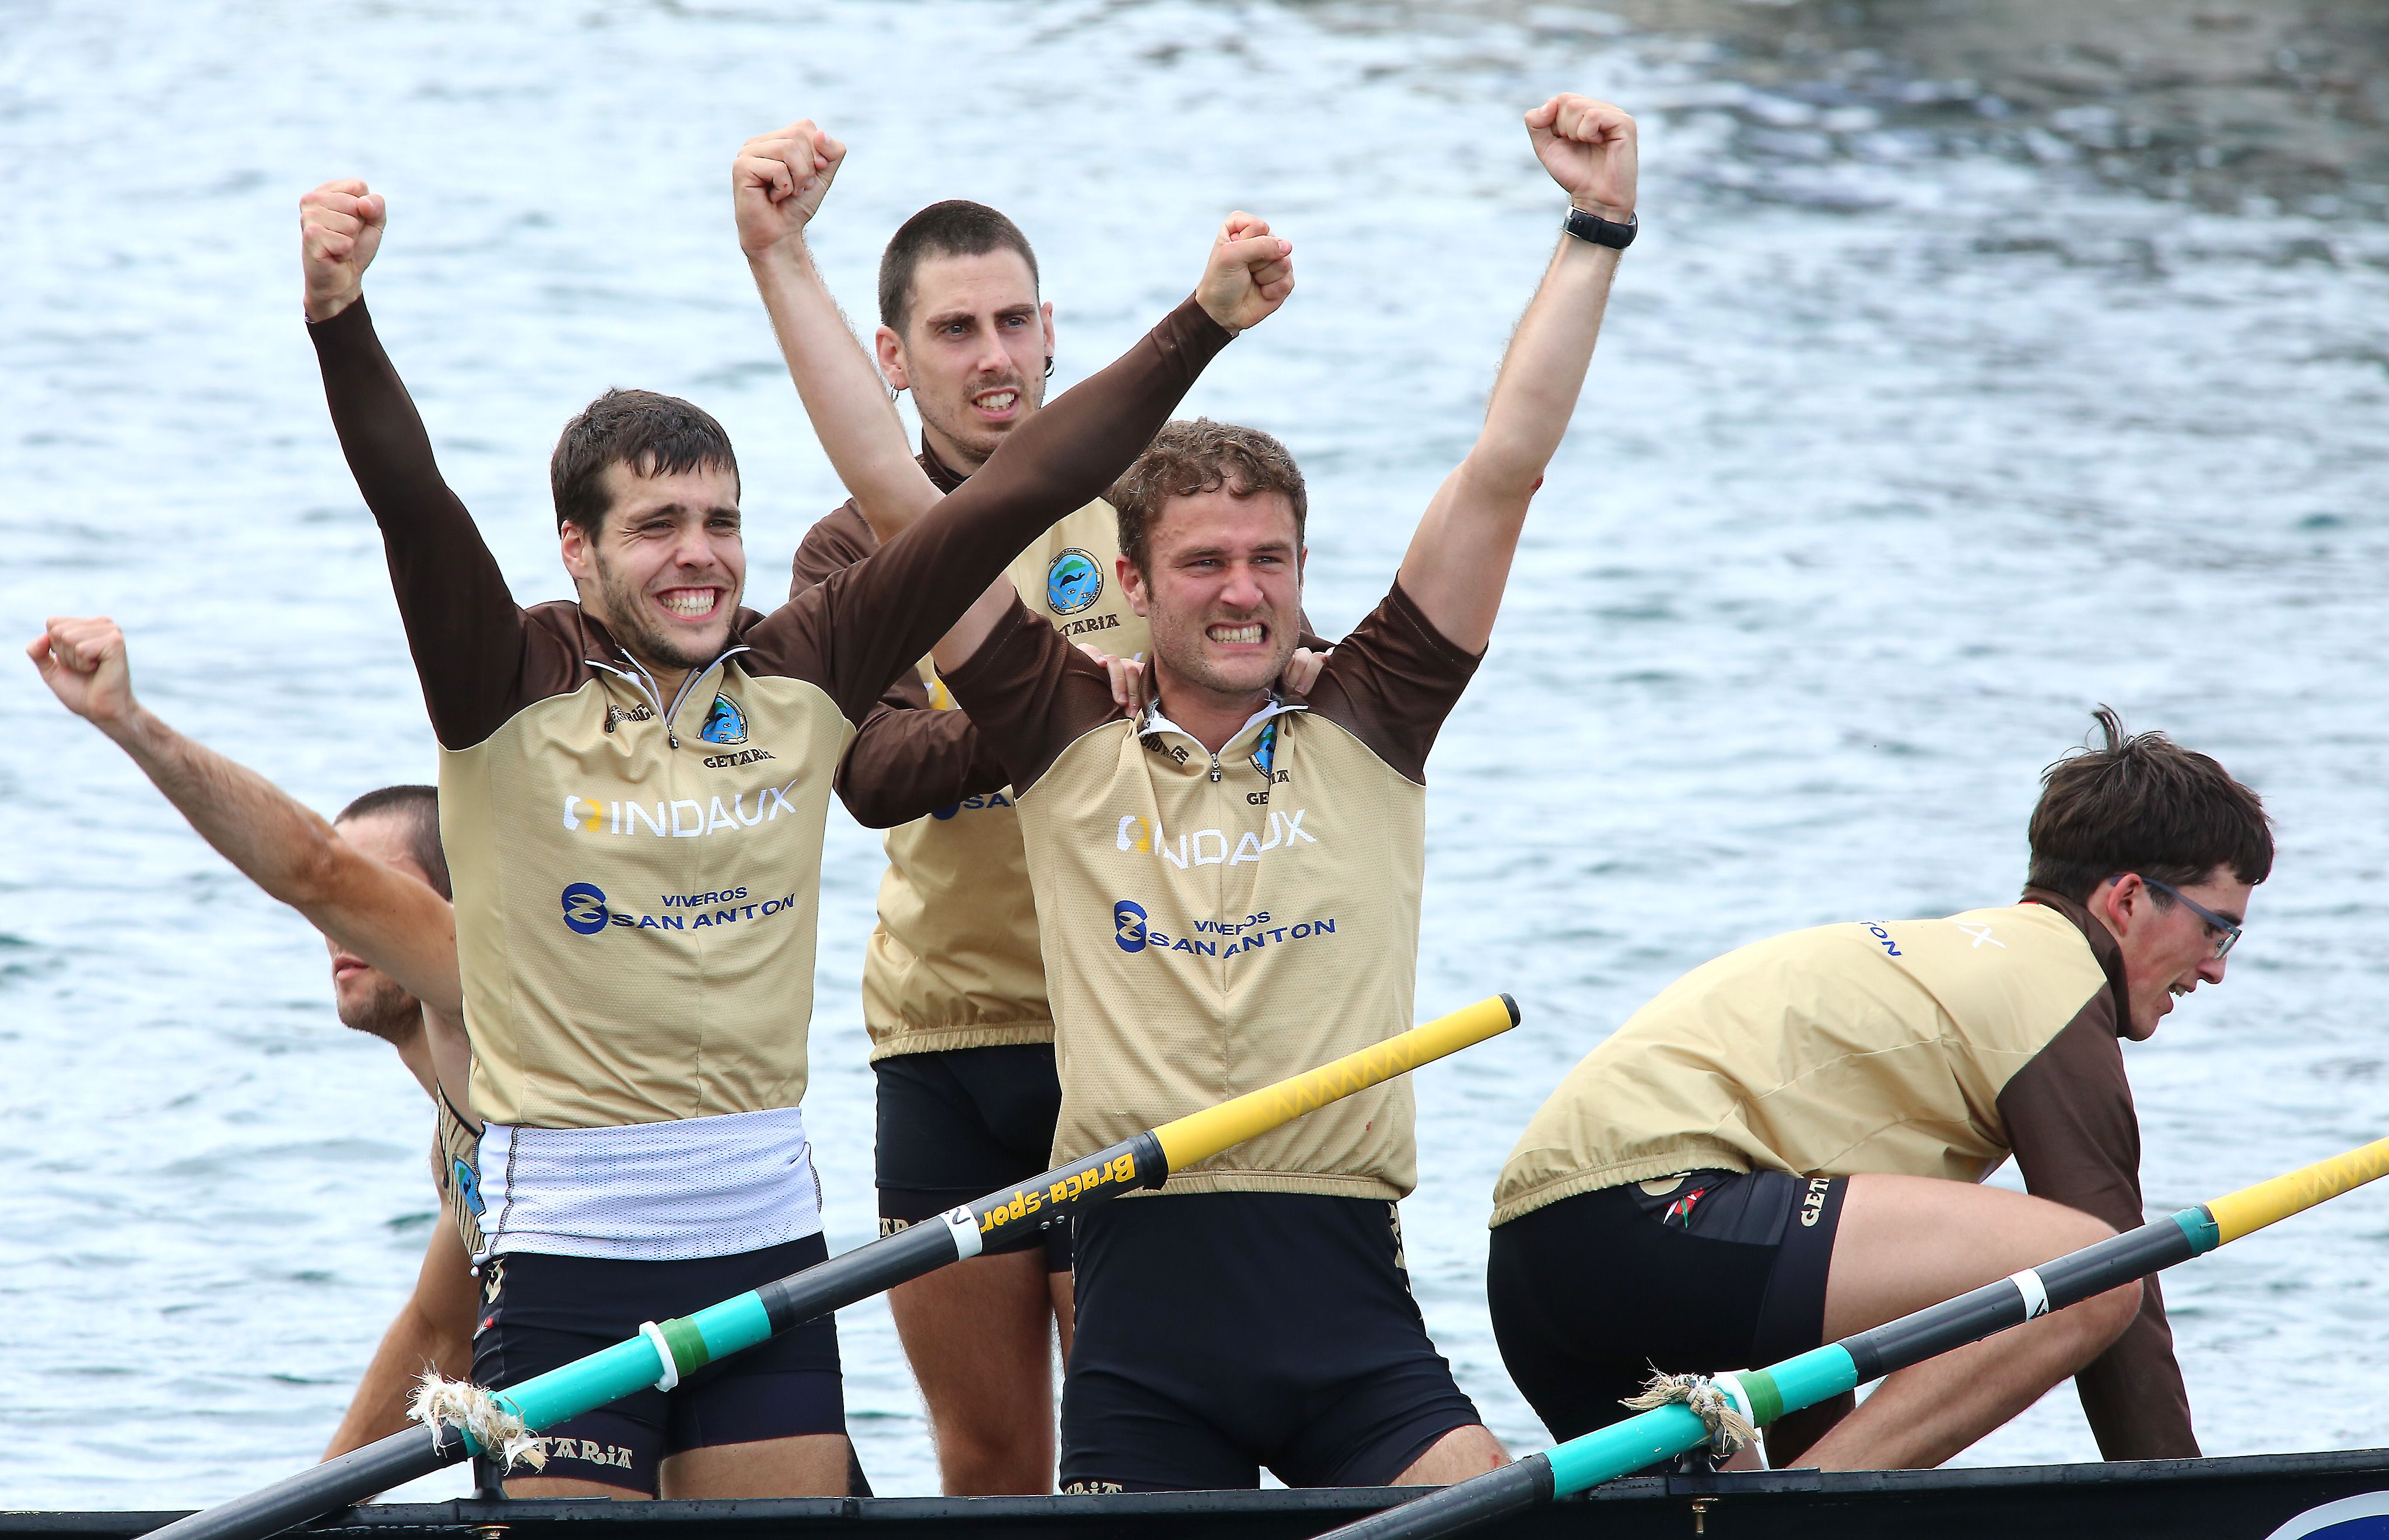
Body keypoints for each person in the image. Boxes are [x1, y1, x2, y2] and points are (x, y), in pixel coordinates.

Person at [293, 170, 1292, 1499]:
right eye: (655, 527)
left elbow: (1016, 490)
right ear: (577, 554)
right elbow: (414, 507)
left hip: (768, 1253)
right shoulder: (503, 679)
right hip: (570, 1273)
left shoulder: (803, 661)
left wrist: (1202, 322)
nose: (698, 557)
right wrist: (342, 318)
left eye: (719, 523)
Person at [807, 92, 1638, 1492]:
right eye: (1201, 564)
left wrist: (1595, 228)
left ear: (1306, 574)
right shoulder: (1063, 734)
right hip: (1144, 1345)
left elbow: (1505, 467)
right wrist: (779, 259)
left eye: (1269, 560)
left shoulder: (1371, 719)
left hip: (1353, 1333)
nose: (1241, 592)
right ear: (1128, 590)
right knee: (994, 1466)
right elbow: (894, 498)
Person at [735, 127, 1323, 1494]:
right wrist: (1048, 711)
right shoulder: (851, 547)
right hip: (945, 1042)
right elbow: (870, 776)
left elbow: (1282, 666)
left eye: (1013, 321)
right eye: (953, 330)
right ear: (891, 360)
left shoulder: (1150, 505)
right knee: (993, 1459)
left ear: (1054, 332)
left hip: (1129, 1033)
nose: (990, 355)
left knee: (1139, 1452)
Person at [1486, 708, 2271, 1471]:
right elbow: (2107, 1279)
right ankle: (1807, 1518)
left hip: (1536, 1264)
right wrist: (2188, 1499)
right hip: (1653, 1220)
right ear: (2128, 898)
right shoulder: (2049, 978)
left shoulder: (1951, 965)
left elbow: (1799, 1291)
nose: (2217, 967)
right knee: (2100, 1272)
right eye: (2217, 927)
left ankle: (1802, 1510)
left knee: (1715, 1513)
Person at [24, 615, 478, 1460]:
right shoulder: (460, 1142)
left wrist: (130, 722)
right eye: (338, 915)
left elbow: (315, 866)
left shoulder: (499, 1031)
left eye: (377, 899)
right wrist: (308, 1505)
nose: (346, 926)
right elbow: (443, 1329)